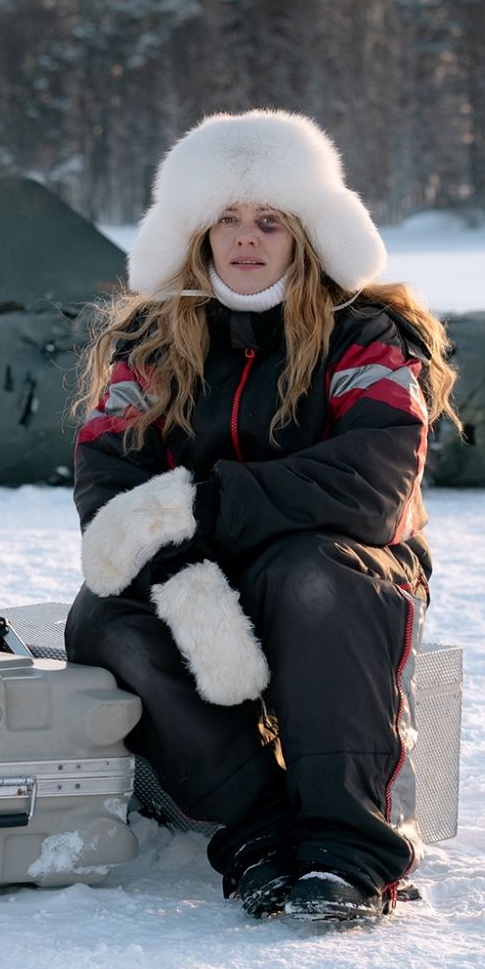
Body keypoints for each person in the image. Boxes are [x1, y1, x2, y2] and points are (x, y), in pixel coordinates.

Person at [65, 110, 460, 923]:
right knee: (106, 620)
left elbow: (376, 481)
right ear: (198, 233)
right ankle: (261, 830)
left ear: (304, 232)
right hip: (204, 564)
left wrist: (203, 506)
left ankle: (349, 848)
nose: (247, 240)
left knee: (305, 575)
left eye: (269, 221)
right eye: (228, 221)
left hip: (349, 566)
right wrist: (172, 566)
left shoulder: (363, 336)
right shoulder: (152, 339)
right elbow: (109, 476)